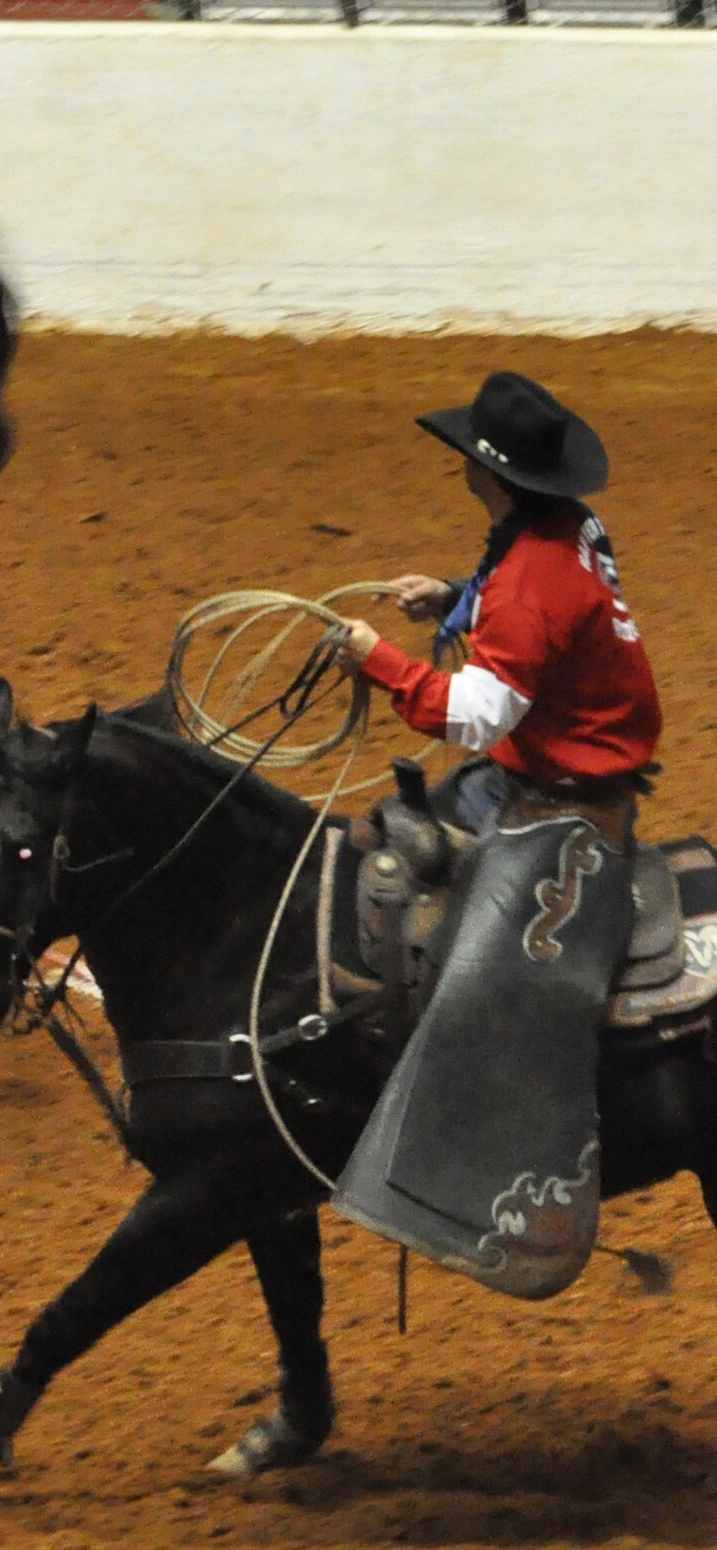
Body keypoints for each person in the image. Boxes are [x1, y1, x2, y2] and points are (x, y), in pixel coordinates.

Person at [328, 370, 663, 1298]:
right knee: (399, 869)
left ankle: (461, 1157)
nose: (463, 472)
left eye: (472, 462)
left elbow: (474, 715)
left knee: (476, 968)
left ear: (498, 475)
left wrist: (380, 660)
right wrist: (455, 599)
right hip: (545, 770)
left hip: (559, 799)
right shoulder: (564, 533)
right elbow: (525, 603)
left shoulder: (532, 584)